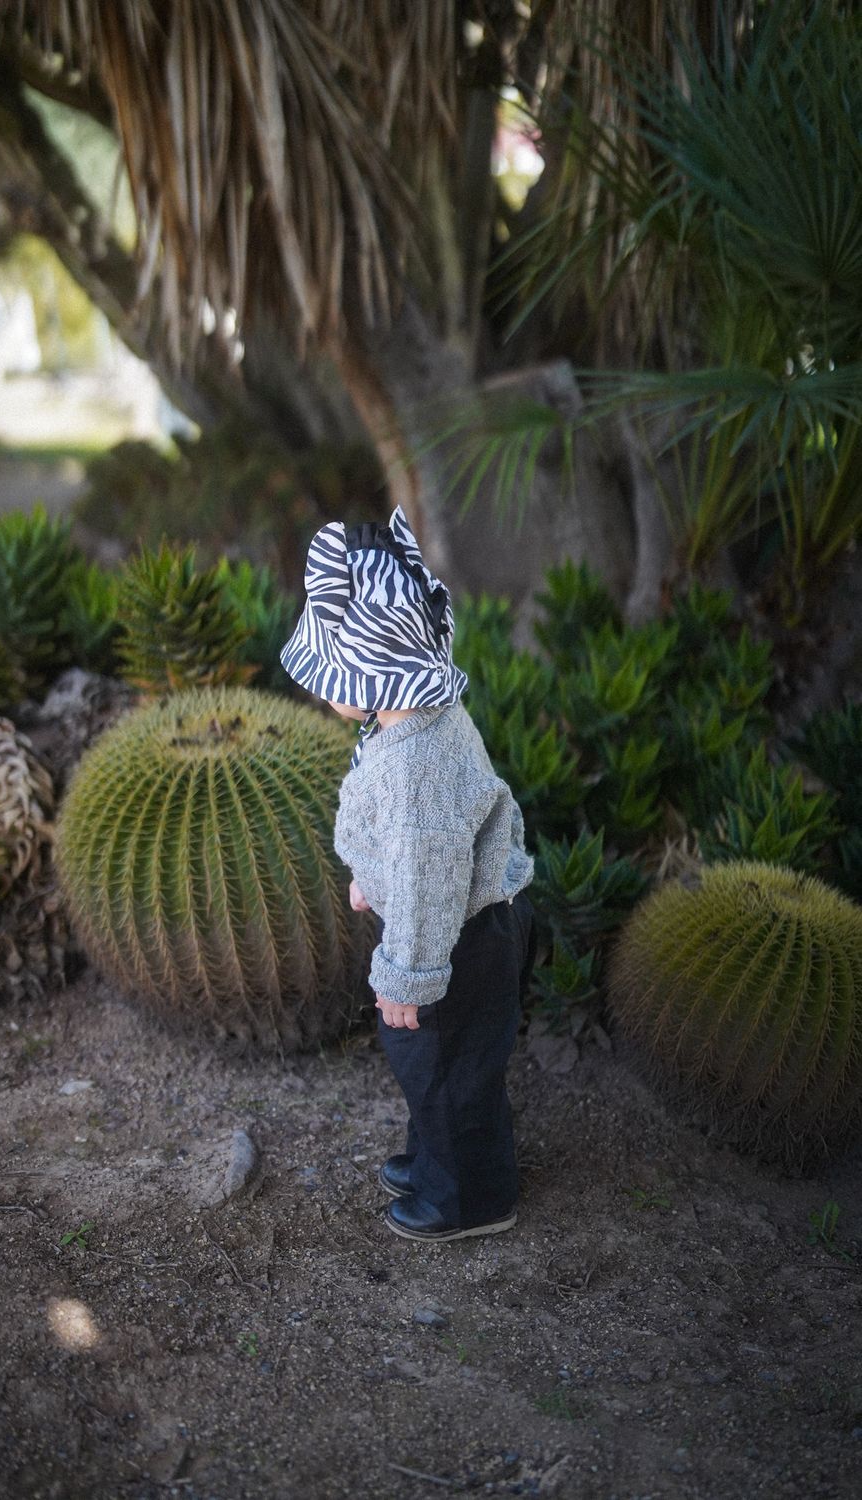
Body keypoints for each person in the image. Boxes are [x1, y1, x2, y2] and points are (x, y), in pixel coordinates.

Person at [280, 507, 537, 1242]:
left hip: (461, 936)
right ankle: (439, 1157)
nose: (321, 689)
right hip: (467, 913)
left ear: (372, 673)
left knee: (442, 1062)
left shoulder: (413, 767)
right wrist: (372, 876)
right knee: (447, 1067)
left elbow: (429, 873)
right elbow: (411, 851)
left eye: (331, 673)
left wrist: (408, 978)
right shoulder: (418, 716)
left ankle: (469, 1202)